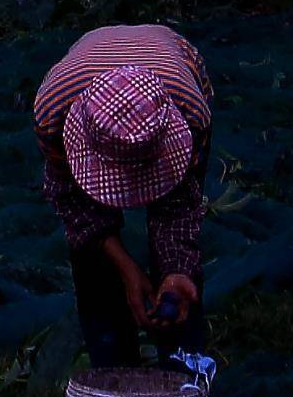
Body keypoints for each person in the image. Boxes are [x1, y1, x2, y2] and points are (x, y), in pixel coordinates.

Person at [32, 19, 208, 364]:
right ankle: (111, 359)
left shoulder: (191, 114)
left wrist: (176, 271)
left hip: (174, 59)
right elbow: (75, 206)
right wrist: (127, 268)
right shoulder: (52, 113)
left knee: (178, 263)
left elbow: (181, 208)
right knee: (93, 262)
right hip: (88, 55)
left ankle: (182, 359)